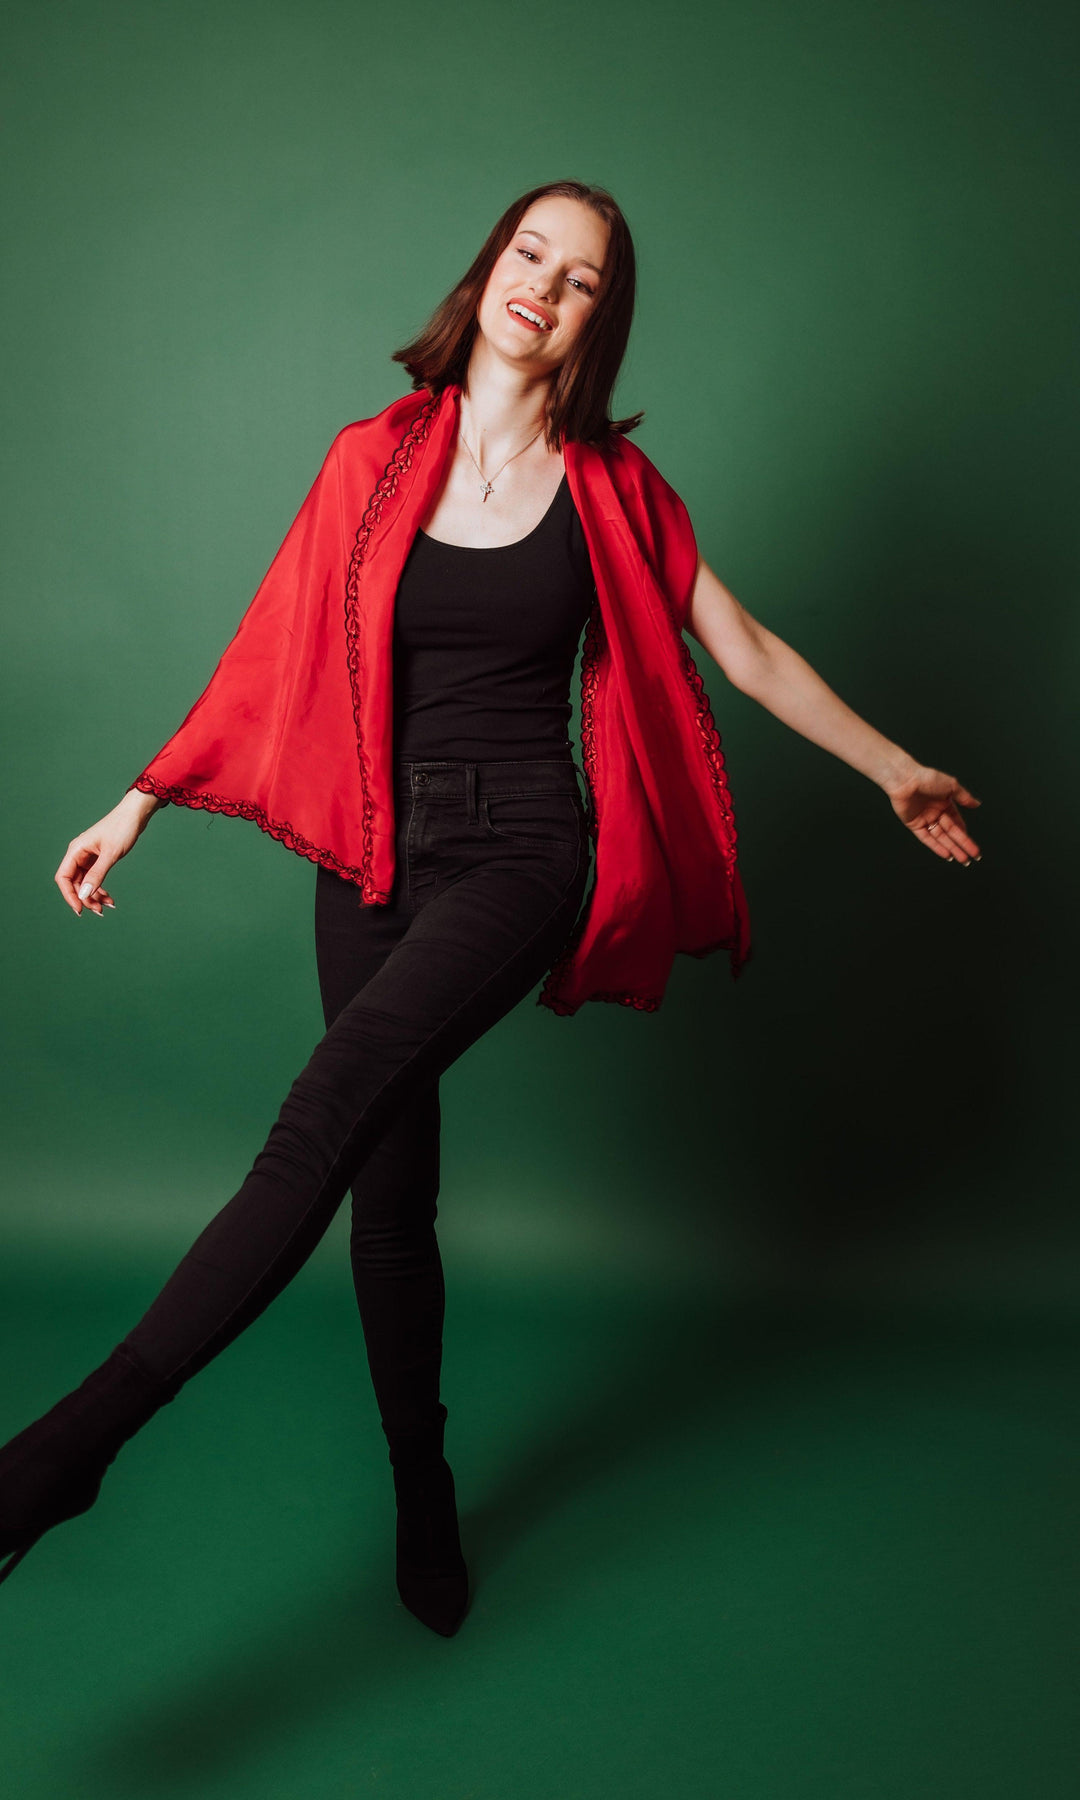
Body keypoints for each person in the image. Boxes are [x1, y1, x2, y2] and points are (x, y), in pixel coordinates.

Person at [0, 180, 982, 1636]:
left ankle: (56, 1460)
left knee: (321, 1115)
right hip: (370, 855)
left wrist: (895, 767)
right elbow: (272, 644)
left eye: (583, 279)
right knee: (388, 1194)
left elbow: (747, 648)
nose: (548, 286)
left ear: (599, 321)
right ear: (488, 270)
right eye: (533, 254)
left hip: (521, 850)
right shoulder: (372, 457)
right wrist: (141, 798)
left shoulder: (613, 492)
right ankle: (424, 1483)